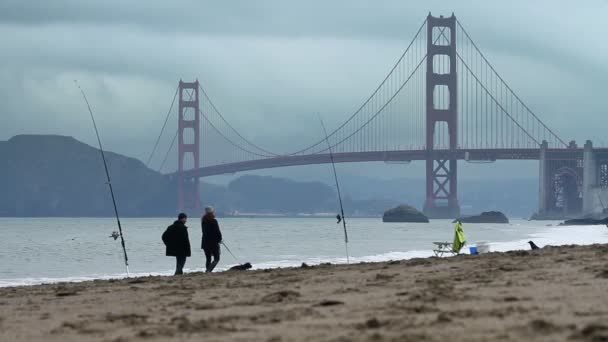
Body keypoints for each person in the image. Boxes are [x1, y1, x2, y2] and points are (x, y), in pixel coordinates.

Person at [201, 206, 222, 273]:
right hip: (213, 242)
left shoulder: (203, 221)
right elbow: (217, 231)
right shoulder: (214, 221)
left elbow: (205, 232)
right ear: (212, 212)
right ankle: (208, 270)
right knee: (217, 258)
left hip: (205, 242)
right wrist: (220, 239)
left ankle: (208, 271)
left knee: (208, 258)